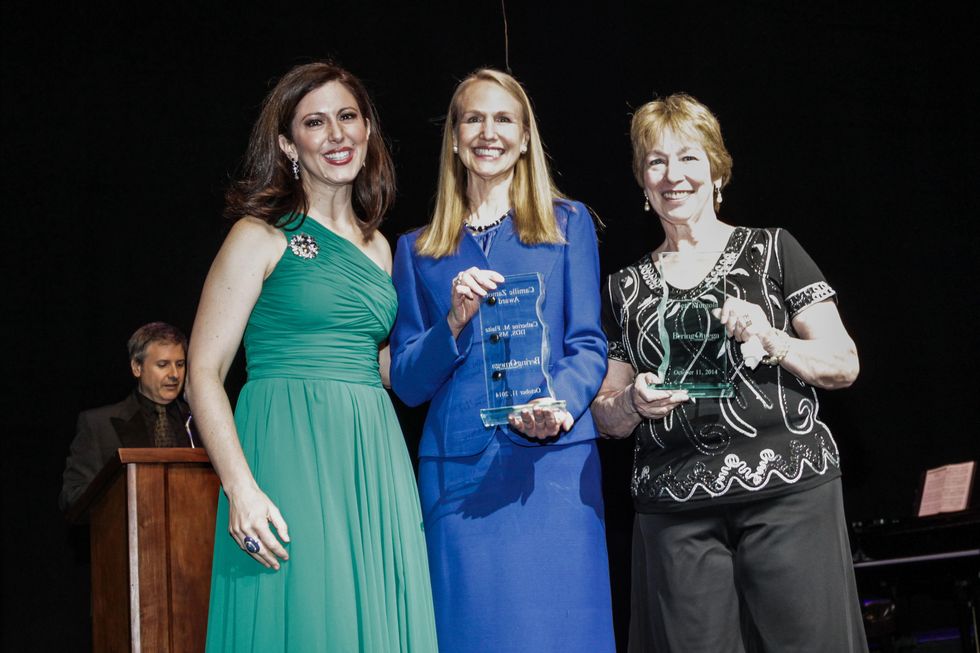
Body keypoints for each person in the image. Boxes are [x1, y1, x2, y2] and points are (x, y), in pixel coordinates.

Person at [591, 93, 867, 652]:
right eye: (656, 161)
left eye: (689, 158)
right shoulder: (624, 287)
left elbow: (843, 364)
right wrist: (632, 404)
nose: (674, 175)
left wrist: (773, 338)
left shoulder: (773, 250)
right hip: (675, 513)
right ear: (643, 183)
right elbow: (604, 415)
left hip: (788, 496)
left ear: (716, 169)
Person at [185, 62, 437, 652]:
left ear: (368, 130)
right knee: (302, 620)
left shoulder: (381, 247)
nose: (336, 135)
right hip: (288, 448)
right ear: (287, 143)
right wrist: (239, 488)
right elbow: (203, 371)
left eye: (347, 117)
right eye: (315, 122)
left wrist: (456, 332)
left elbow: (386, 369)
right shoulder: (260, 235)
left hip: (372, 453)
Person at [390, 69, 615, 653]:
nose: (488, 132)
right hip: (459, 476)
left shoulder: (569, 225)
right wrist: (454, 323)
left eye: (503, 119)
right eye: (473, 118)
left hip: (555, 471)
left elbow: (588, 343)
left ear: (524, 137)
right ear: (456, 139)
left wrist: (558, 405)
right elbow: (410, 382)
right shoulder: (416, 250)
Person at [60, 322, 194, 512]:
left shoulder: (197, 421)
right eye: (163, 365)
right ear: (137, 367)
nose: (174, 374)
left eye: (180, 364)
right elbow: (72, 497)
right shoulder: (98, 425)